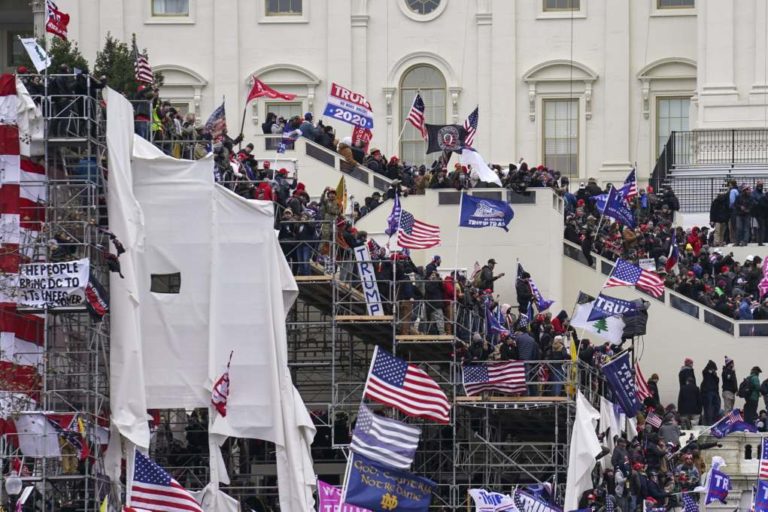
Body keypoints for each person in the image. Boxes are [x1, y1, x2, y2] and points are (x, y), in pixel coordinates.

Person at [700, 360, 720, 425]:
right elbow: (704, 372)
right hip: (708, 392)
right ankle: (709, 422)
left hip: (714, 392)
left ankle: (713, 421)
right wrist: (710, 372)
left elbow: (717, 380)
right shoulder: (706, 372)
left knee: (716, 406)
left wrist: (714, 374)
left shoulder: (714, 375)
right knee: (708, 408)